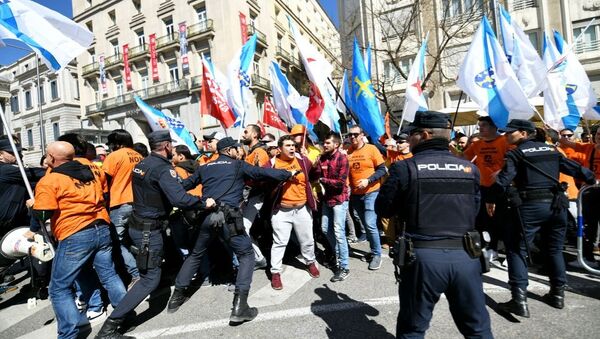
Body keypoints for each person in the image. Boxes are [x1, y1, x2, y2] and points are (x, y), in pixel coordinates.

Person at [375, 111, 492, 338]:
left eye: (413, 134)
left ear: (426, 134)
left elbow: (383, 208)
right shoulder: (470, 169)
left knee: (413, 330)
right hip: (466, 256)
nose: (409, 139)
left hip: (423, 258)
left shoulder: (405, 168)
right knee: (478, 329)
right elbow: (475, 211)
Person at [95, 131, 210, 338]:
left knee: (149, 272)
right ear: (167, 146)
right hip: (149, 230)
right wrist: (204, 203)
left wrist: (194, 178)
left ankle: (121, 318)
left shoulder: (144, 164)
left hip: (139, 225)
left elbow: (164, 188)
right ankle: (109, 328)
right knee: (150, 279)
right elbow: (180, 200)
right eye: (171, 146)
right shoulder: (163, 169)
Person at [167, 137, 292, 325]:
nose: (239, 150)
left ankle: (175, 299)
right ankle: (240, 307)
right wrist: (286, 173)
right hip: (230, 218)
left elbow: (182, 187)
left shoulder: (205, 166)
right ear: (230, 150)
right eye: (236, 148)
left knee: (195, 255)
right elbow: (263, 173)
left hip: (207, 216)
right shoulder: (238, 165)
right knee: (247, 255)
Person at [487, 119, 596, 317]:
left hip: (529, 207)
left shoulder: (516, 153)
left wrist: (489, 198)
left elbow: (503, 181)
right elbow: (579, 170)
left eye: (510, 132)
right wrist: (591, 180)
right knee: (554, 249)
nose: (506, 135)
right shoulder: (552, 150)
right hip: (556, 206)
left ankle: (518, 301)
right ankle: (557, 294)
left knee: (516, 250)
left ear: (524, 133)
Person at [29, 141, 126, 339]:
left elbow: (43, 214)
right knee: (108, 274)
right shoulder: (90, 172)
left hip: (75, 233)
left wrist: (33, 205)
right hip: (101, 227)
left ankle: (68, 335)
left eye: (47, 154)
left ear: (52, 158)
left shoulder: (51, 180)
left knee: (59, 288)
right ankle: (124, 314)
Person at [265, 135, 319, 289]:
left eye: (293, 145)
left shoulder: (302, 160)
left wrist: (315, 164)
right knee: (279, 242)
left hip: (302, 209)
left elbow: (315, 174)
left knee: (307, 239)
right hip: (281, 211)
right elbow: (263, 180)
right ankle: (275, 272)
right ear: (279, 149)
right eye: (288, 145)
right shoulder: (272, 163)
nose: (291, 148)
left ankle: (310, 262)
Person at [462, 116, 512, 265]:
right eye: (479, 126)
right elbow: (464, 157)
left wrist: (503, 171)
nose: (480, 128)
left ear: (493, 127)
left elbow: (514, 159)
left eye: (483, 125)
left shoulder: (505, 141)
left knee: (505, 221)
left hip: (502, 187)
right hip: (484, 187)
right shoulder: (478, 144)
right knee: (488, 221)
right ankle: (493, 248)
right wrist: (454, 152)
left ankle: (510, 252)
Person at [0, 136, 46, 283]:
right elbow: (37, 174)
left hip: (14, 218)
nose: (18, 155)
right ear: (0, 155)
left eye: (19, 151)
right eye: (12, 152)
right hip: (4, 220)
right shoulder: (6, 170)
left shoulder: (15, 170)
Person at [104, 130, 143, 286]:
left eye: (111, 144)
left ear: (117, 143)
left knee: (118, 243)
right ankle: (146, 271)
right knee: (137, 240)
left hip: (119, 203)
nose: (109, 147)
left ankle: (135, 274)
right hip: (138, 203)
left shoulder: (114, 156)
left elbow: (104, 181)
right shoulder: (138, 156)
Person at [311, 132, 350, 282]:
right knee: (326, 229)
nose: (324, 145)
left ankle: (344, 266)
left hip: (339, 199)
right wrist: (315, 166)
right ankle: (338, 253)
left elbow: (340, 182)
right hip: (327, 199)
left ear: (336, 144)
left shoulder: (342, 158)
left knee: (339, 232)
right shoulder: (322, 158)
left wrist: (323, 179)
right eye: (324, 142)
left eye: (328, 143)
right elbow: (313, 176)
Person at [347, 125, 387, 270]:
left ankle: (377, 255)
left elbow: (383, 169)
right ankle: (373, 250)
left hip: (372, 192)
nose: (352, 137)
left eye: (355, 134)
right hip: (356, 195)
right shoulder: (348, 152)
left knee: (370, 224)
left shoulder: (371, 149)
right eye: (350, 135)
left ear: (362, 135)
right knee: (366, 225)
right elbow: (347, 174)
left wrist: (368, 180)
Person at [558, 126, 600, 262]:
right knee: (588, 225)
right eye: (598, 134)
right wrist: (553, 133)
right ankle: (587, 257)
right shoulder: (589, 147)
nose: (598, 136)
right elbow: (567, 142)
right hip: (589, 192)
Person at [241, 124, 271, 269]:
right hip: (252, 196)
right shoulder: (251, 152)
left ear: (254, 135)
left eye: (246, 132)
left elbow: (263, 175)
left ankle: (260, 259)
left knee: (243, 228)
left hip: (257, 196)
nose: (243, 134)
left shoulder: (259, 151)